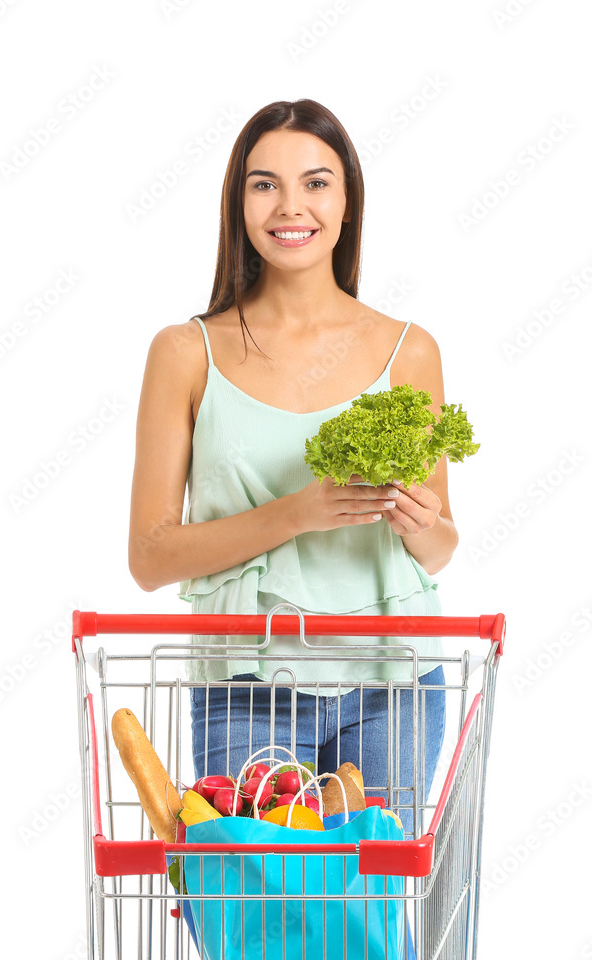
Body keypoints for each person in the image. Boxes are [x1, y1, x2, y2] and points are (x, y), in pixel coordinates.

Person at [128, 99, 460, 838]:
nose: (290, 207)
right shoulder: (185, 352)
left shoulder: (409, 350)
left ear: (347, 203)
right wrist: (298, 513)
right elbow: (149, 557)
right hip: (248, 682)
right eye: (264, 184)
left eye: (315, 183)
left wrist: (419, 522)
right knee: (259, 895)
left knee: (371, 900)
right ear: (238, 204)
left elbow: (440, 548)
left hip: (394, 677)